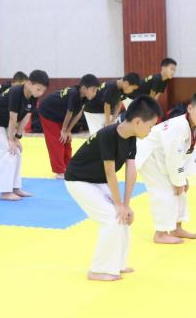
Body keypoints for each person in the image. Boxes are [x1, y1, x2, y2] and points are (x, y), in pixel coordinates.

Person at [64, 95, 162, 281]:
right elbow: (110, 172)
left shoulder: (132, 137)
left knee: (123, 217)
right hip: (78, 180)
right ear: (138, 122)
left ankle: (118, 264)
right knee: (113, 217)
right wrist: (118, 205)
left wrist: (126, 204)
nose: (151, 131)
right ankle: (98, 270)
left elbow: (131, 170)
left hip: (99, 181)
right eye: (150, 126)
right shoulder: (108, 134)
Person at [136, 91, 196, 244]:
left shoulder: (195, 126)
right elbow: (173, 156)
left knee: (181, 191)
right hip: (149, 156)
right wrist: (178, 180)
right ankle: (160, 233)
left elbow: (189, 153)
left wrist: (184, 178)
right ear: (190, 108)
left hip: (164, 158)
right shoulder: (178, 127)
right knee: (164, 191)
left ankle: (176, 228)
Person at [0, 70, 49, 200]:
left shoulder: (33, 95)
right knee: (5, 151)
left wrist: (17, 138)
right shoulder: (16, 92)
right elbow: (13, 118)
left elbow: (26, 116)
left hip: (4, 122)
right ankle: (5, 192)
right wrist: (10, 139)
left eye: (43, 90)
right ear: (29, 83)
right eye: (38, 89)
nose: (40, 93)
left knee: (16, 151)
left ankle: (15, 187)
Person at [38, 74, 100, 178]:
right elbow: (69, 113)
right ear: (84, 88)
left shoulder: (84, 96)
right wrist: (63, 130)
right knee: (57, 140)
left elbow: (78, 114)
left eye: (96, 90)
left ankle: (68, 166)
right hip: (48, 112)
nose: (95, 93)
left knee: (67, 139)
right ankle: (59, 171)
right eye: (93, 90)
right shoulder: (74, 93)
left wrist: (68, 131)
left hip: (59, 115)